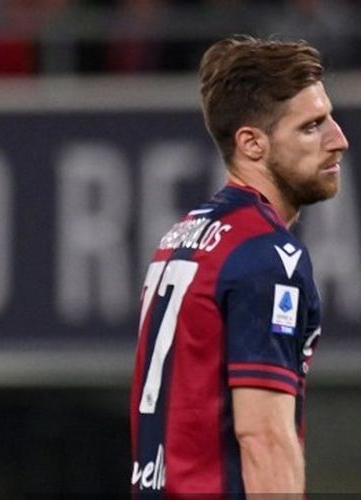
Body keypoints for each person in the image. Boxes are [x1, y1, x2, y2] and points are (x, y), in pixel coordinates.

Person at [130, 35, 348, 496]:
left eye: (330, 118)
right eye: (311, 126)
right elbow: (264, 437)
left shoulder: (181, 239)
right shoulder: (267, 257)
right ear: (252, 143)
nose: (338, 140)